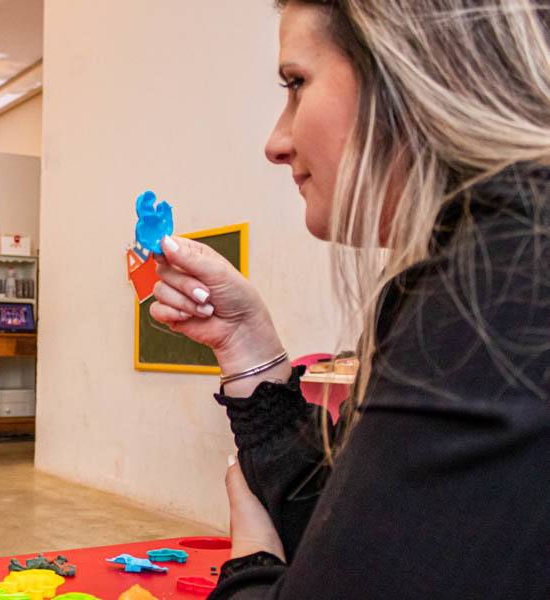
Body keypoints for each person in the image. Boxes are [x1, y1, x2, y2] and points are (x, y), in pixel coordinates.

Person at [150, 0, 548, 597]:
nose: (276, 142)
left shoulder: (495, 289)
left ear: (411, 70)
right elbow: (365, 546)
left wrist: (250, 551)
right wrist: (245, 341)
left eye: (296, 84)